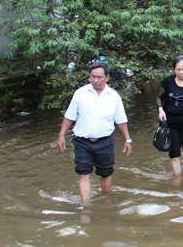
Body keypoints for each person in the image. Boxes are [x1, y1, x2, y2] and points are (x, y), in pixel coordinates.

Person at [56, 61, 132, 205]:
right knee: (83, 173)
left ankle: (106, 200)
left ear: (107, 77)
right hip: (82, 141)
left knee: (105, 173)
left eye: (99, 77)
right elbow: (69, 116)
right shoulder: (80, 93)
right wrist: (61, 136)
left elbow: (121, 120)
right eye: (92, 77)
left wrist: (127, 139)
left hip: (105, 141)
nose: (95, 80)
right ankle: (86, 206)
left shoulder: (113, 96)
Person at [156, 56, 183, 176]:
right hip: (171, 123)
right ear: (174, 69)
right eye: (178, 69)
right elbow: (159, 97)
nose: (181, 72)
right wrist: (160, 109)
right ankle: (177, 178)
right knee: (174, 152)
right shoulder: (167, 81)